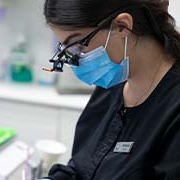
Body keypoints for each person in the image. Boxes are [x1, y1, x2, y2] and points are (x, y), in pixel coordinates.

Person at [41, 0, 180, 179]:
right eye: (65, 49)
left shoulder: (173, 108)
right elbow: (81, 169)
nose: (73, 60)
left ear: (122, 26)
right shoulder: (112, 83)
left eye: (78, 44)